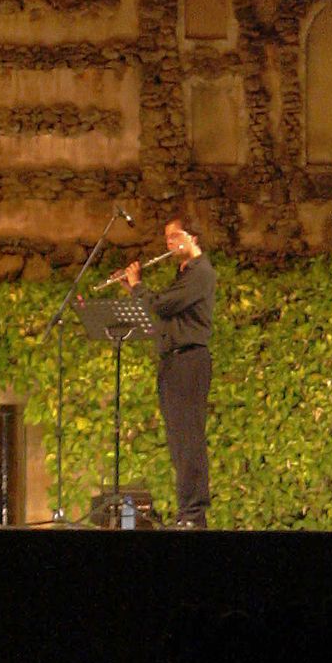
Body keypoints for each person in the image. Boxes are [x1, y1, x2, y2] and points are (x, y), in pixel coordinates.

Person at [121, 216, 216, 529]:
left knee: (189, 439)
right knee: (178, 441)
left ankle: (194, 514)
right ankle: (186, 512)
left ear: (193, 236)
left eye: (175, 236)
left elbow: (162, 305)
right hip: (174, 362)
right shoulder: (185, 274)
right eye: (167, 238)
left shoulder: (201, 273)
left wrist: (138, 285)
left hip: (189, 362)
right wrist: (133, 292)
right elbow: (163, 315)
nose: (170, 243)